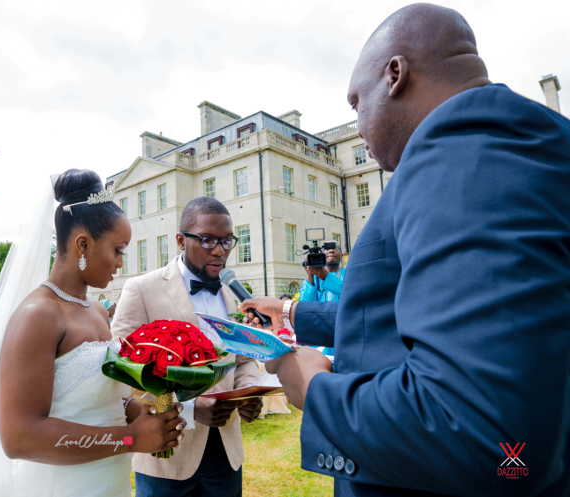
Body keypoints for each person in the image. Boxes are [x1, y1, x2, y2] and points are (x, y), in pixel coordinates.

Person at [240, 4, 570, 496]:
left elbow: (487, 437)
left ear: (395, 74)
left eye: (356, 104)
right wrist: (290, 310)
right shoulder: (513, 144)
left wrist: (313, 389)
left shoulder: (462, 151)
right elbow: (413, 307)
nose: (356, 128)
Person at [0, 169, 185, 496]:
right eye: (118, 250)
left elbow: (106, 398)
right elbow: (19, 437)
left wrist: (145, 413)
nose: (120, 264)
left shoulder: (98, 311)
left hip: (109, 484)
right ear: (82, 244)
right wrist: (130, 439)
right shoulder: (38, 316)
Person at [113, 196, 262, 497]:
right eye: (207, 240)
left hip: (226, 453)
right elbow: (123, 375)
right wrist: (191, 409)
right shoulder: (141, 289)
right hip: (166, 454)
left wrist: (250, 393)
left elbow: (243, 361)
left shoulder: (233, 294)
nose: (220, 251)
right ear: (181, 240)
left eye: (227, 241)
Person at [299, 241, 345, 356]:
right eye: (326, 249)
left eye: (336, 248)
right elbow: (304, 305)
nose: (331, 250)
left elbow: (349, 293)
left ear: (342, 255)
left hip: (344, 332)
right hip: (321, 337)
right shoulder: (314, 279)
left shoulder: (350, 273)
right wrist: (310, 273)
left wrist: (326, 276)